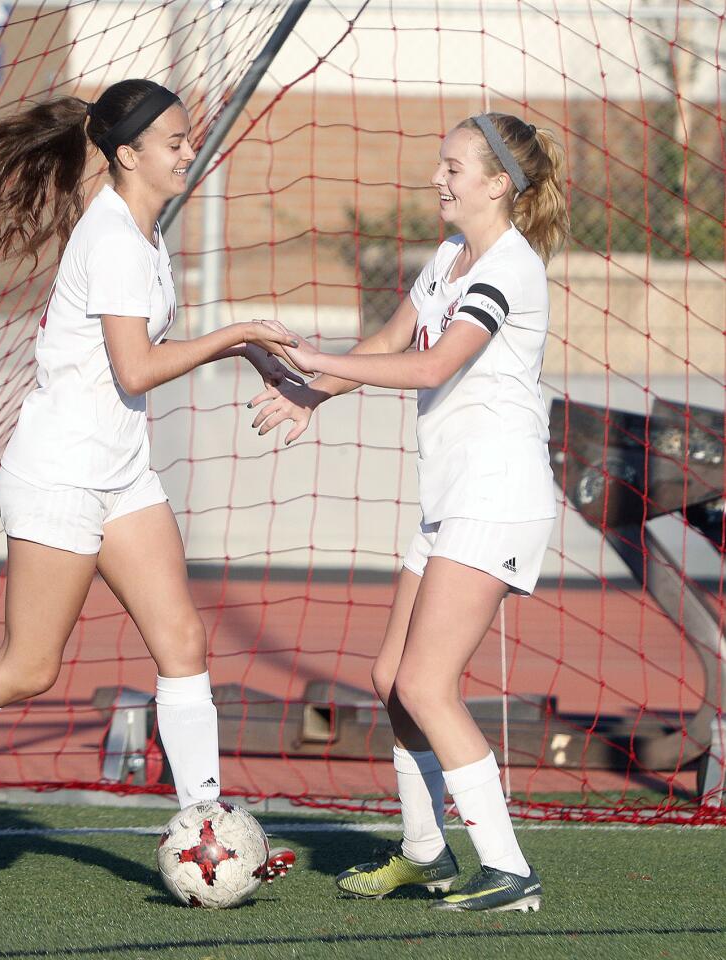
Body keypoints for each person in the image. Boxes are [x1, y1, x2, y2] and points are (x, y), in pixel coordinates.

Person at [0, 79, 299, 881]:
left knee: (182, 641)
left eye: (188, 136)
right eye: (175, 140)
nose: (189, 149)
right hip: (60, 474)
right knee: (26, 669)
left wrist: (255, 356)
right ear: (127, 155)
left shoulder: (146, 237)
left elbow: (137, 357)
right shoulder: (114, 238)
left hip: (118, 470)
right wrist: (239, 331)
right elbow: (137, 366)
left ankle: (206, 828)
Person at [252, 113, 569, 912]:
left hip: (498, 498)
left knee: (428, 684)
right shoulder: (446, 258)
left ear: (498, 183)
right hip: (452, 501)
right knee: (390, 678)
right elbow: (394, 338)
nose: (439, 178)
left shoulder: (510, 267)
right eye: (441, 164)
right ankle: (426, 855)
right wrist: (307, 394)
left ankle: (508, 871)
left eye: (455, 167)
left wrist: (312, 358)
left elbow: (433, 362)